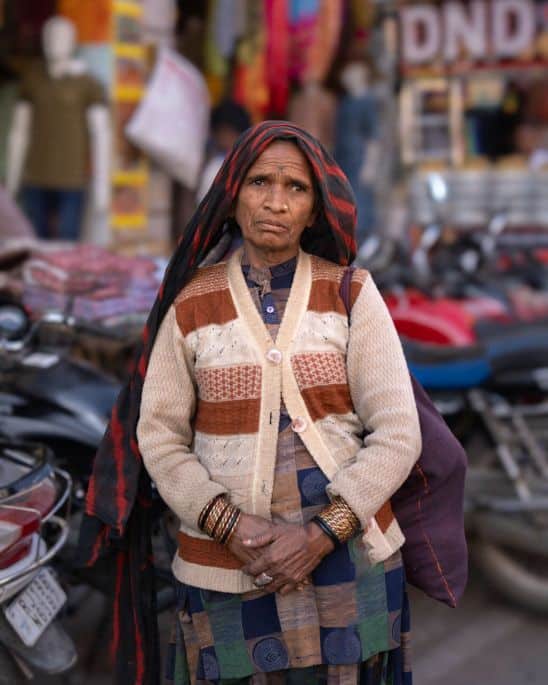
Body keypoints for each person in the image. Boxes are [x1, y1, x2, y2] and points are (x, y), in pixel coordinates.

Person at [78, 121, 420, 685]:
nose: (276, 202)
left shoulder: (351, 293)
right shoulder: (192, 302)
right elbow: (159, 436)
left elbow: (399, 433)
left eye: (296, 188)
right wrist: (227, 523)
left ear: (315, 210)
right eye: (261, 182)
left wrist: (319, 535)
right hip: (226, 570)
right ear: (232, 197)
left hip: (348, 563)